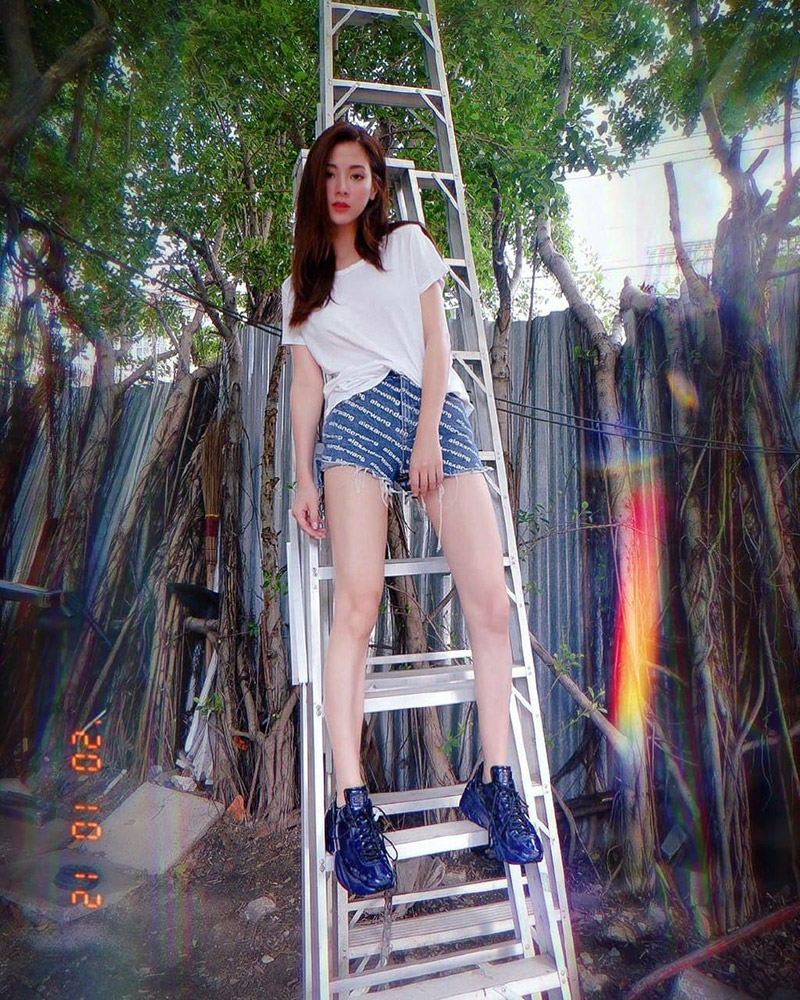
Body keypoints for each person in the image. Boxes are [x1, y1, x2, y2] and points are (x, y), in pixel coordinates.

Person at [282, 120, 543, 896]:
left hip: (434, 411)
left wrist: (428, 431)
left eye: (357, 174)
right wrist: (302, 477)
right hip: (354, 419)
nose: (343, 186)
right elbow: (306, 386)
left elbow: (437, 345)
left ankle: (494, 781)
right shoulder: (303, 286)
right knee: (357, 606)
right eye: (331, 173)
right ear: (316, 184)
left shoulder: (408, 246)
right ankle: (351, 804)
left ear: (376, 186)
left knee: (490, 601)